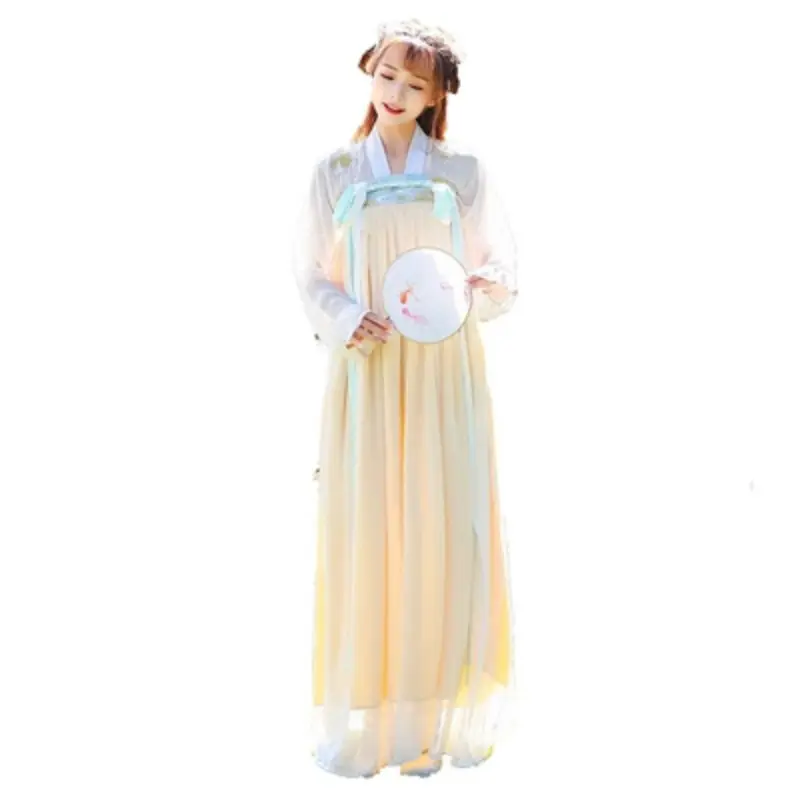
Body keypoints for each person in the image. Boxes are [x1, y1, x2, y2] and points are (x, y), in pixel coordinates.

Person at [293, 18, 518, 778]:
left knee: (443, 523)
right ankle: (368, 718)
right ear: (369, 72)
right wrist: (344, 316)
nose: (394, 93)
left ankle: (433, 719)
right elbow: (309, 272)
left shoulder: (462, 175)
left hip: (443, 370)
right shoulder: (334, 174)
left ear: (436, 96)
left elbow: (502, 267)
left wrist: (484, 283)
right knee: (368, 525)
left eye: (414, 84)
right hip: (370, 365)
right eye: (386, 75)